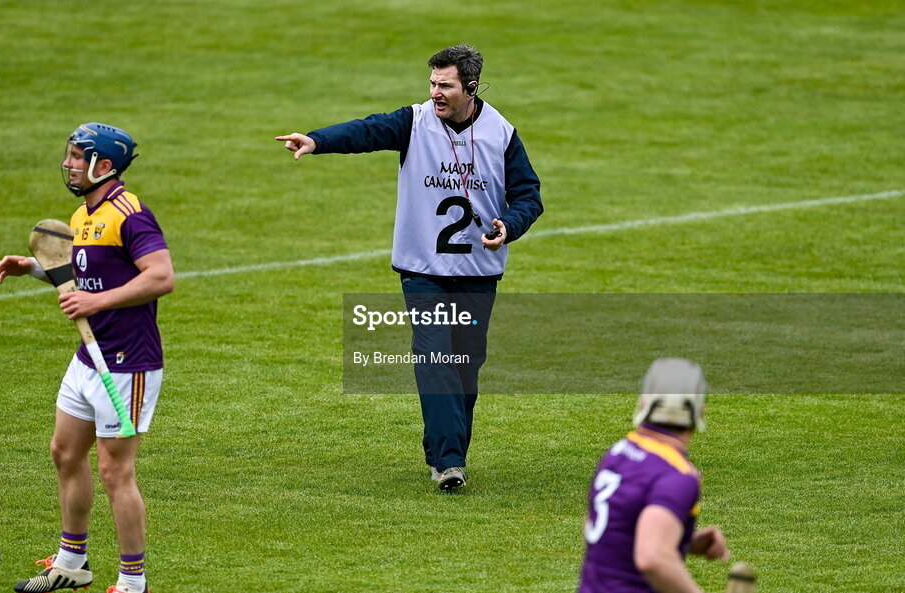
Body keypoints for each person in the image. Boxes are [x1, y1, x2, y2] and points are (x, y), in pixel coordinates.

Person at [276, 44, 543, 491]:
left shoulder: (502, 133)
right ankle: (449, 462)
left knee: (466, 364)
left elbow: (529, 196)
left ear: (472, 88)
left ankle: (444, 447)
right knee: (436, 356)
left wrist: (508, 225)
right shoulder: (414, 121)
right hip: (423, 268)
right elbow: (366, 132)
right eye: (432, 84)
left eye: (446, 86)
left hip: (478, 270)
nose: (435, 93)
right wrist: (317, 140)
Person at [0, 123, 174, 593]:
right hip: (87, 358)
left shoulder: (131, 215)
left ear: (105, 166)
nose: (69, 163)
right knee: (65, 451)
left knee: (116, 471)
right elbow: (82, 275)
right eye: (70, 154)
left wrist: (96, 303)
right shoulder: (80, 216)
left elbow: (160, 277)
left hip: (127, 363)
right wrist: (32, 268)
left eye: (79, 156)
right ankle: (72, 563)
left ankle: (133, 583)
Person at [577, 358, 730, 593]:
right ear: (700, 411)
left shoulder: (619, 452)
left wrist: (682, 542)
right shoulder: (677, 475)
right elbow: (652, 558)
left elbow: (607, 528)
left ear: (643, 403)